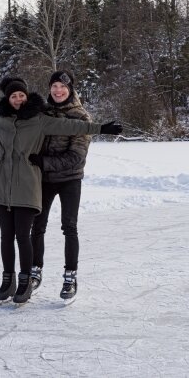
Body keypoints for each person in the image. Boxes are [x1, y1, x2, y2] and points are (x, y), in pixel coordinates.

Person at [0, 76, 121, 305]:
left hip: (58, 178)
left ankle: (53, 278)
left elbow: (75, 129)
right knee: (21, 233)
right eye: (13, 95)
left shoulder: (43, 118)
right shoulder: (6, 119)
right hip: (17, 183)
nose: (18, 99)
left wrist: (101, 128)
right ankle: (15, 278)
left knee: (61, 228)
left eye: (21, 95)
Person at [29, 70, 122, 301]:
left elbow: (76, 158)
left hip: (70, 179)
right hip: (44, 179)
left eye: (63, 86)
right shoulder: (42, 112)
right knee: (37, 226)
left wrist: (44, 162)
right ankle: (34, 271)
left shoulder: (81, 118)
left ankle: (70, 277)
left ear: (70, 90)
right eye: (54, 86)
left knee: (69, 227)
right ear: (49, 88)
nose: (58, 90)